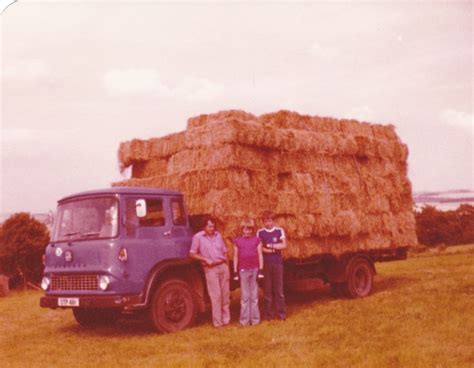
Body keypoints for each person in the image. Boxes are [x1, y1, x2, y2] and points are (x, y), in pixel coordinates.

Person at [189, 217, 230, 328]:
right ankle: (218, 323)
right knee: (216, 296)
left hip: (222, 266)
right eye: (209, 226)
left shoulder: (218, 236)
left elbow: (225, 251)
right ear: (204, 227)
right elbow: (192, 254)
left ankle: (226, 320)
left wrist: (227, 266)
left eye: (213, 226)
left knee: (225, 294)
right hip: (210, 269)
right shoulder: (198, 237)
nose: (212, 229)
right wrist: (205, 259)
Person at [257, 211, 287, 321]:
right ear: (263, 222)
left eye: (269, 220)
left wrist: (270, 246)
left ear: (273, 221)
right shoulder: (260, 233)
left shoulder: (279, 231)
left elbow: (284, 245)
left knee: (279, 290)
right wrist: (273, 249)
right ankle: (269, 315)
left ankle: (281, 314)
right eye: (265, 221)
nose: (268, 223)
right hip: (266, 264)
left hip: (278, 263)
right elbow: (261, 249)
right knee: (267, 290)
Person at [233, 218, 264, 326]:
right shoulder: (237, 241)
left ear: (252, 230)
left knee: (254, 296)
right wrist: (235, 272)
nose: (247, 232)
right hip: (243, 270)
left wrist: (260, 270)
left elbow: (260, 254)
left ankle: (255, 320)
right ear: (242, 230)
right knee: (245, 296)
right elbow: (236, 256)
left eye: (249, 229)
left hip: (254, 269)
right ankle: (244, 320)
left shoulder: (257, 240)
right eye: (245, 229)